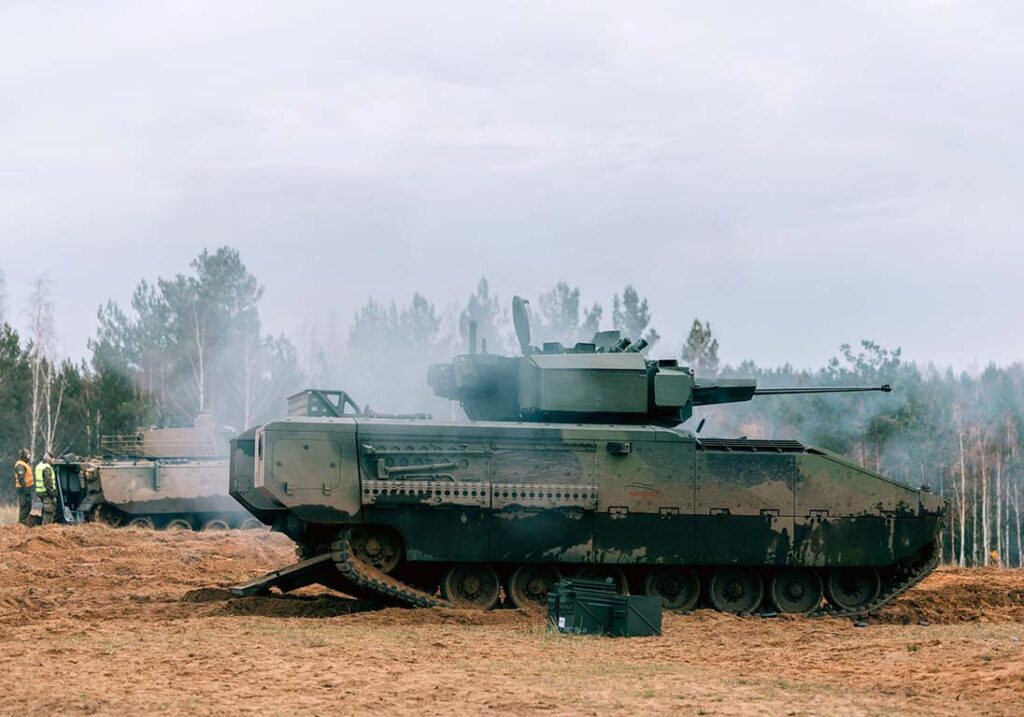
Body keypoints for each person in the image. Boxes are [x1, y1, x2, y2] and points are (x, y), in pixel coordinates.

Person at [34, 453, 57, 526]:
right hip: (46, 492)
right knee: (49, 511)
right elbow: (48, 483)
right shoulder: (47, 468)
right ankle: (46, 528)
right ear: (49, 458)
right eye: (53, 458)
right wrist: (53, 495)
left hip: (39, 492)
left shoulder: (39, 465)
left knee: (44, 510)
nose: (54, 460)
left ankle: (41, 527)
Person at [14, 449, 34, 526]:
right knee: (24, 508)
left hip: (27, 489)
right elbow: (21, 479)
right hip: (23, 489)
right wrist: (26, 490)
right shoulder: (20, 465)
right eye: (28, 454)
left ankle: (24, 524)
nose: (29, 456)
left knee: (28, 507)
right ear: (24, 455)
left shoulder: (24, 464)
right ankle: (21, 525)